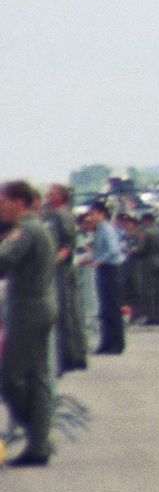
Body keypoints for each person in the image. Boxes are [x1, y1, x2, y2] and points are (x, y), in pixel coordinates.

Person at [0, 181, 59, 465]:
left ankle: (37, 434)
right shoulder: (34, 228)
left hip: (28, 309)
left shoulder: (26, 230)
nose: (0, 208)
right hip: (35, 306)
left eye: (3, 202)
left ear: (19, 202)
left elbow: (3, 260)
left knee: (12, 378)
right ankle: (39, 443)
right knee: (36, 376)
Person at [42, 184, 87, 373]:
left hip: (62, 270)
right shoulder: (51, 215)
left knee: (66, 312)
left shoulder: (64, 215)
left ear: (60, 197)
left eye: (51, 193)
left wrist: (54, 262)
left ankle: (74, 356)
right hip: (55, 269)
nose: (48, 196)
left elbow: (68, 245)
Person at [87, 202, 127, 354]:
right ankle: (107, 343)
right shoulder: (99, 229)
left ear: (102, 213)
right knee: (105, 309)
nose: (91, 216)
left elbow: (113, 250)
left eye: (94, 213)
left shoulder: (106, 229)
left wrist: (99, 260)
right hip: (104, 270)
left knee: (112, 308)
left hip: (110, 270)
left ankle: (117, 343)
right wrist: (92, 259)